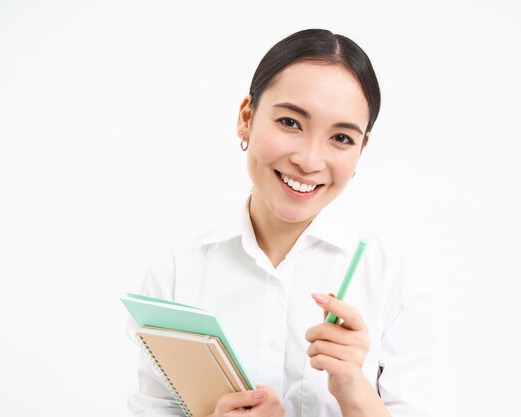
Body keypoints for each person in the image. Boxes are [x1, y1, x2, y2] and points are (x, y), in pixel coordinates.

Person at [127, 28, 448, 417]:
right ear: (246, 118)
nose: (310, 160)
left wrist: (354, 390)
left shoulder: (398, 284)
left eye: (342, 138)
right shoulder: (177, 273)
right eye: (291, 123)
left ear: (362, 149)